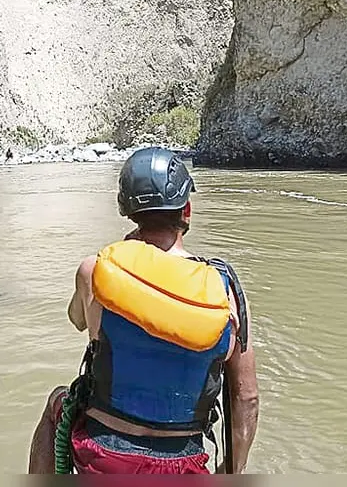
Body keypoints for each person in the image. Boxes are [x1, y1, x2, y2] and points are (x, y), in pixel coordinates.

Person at [28, 146, 260, 474]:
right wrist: (228, 472)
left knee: (57, 400)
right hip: (183, 461)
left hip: (103, 452)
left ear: (128, 213)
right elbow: (246, 398)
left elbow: (76, 319)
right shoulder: (225, 290)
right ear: (187, 210)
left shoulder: (95, 270)